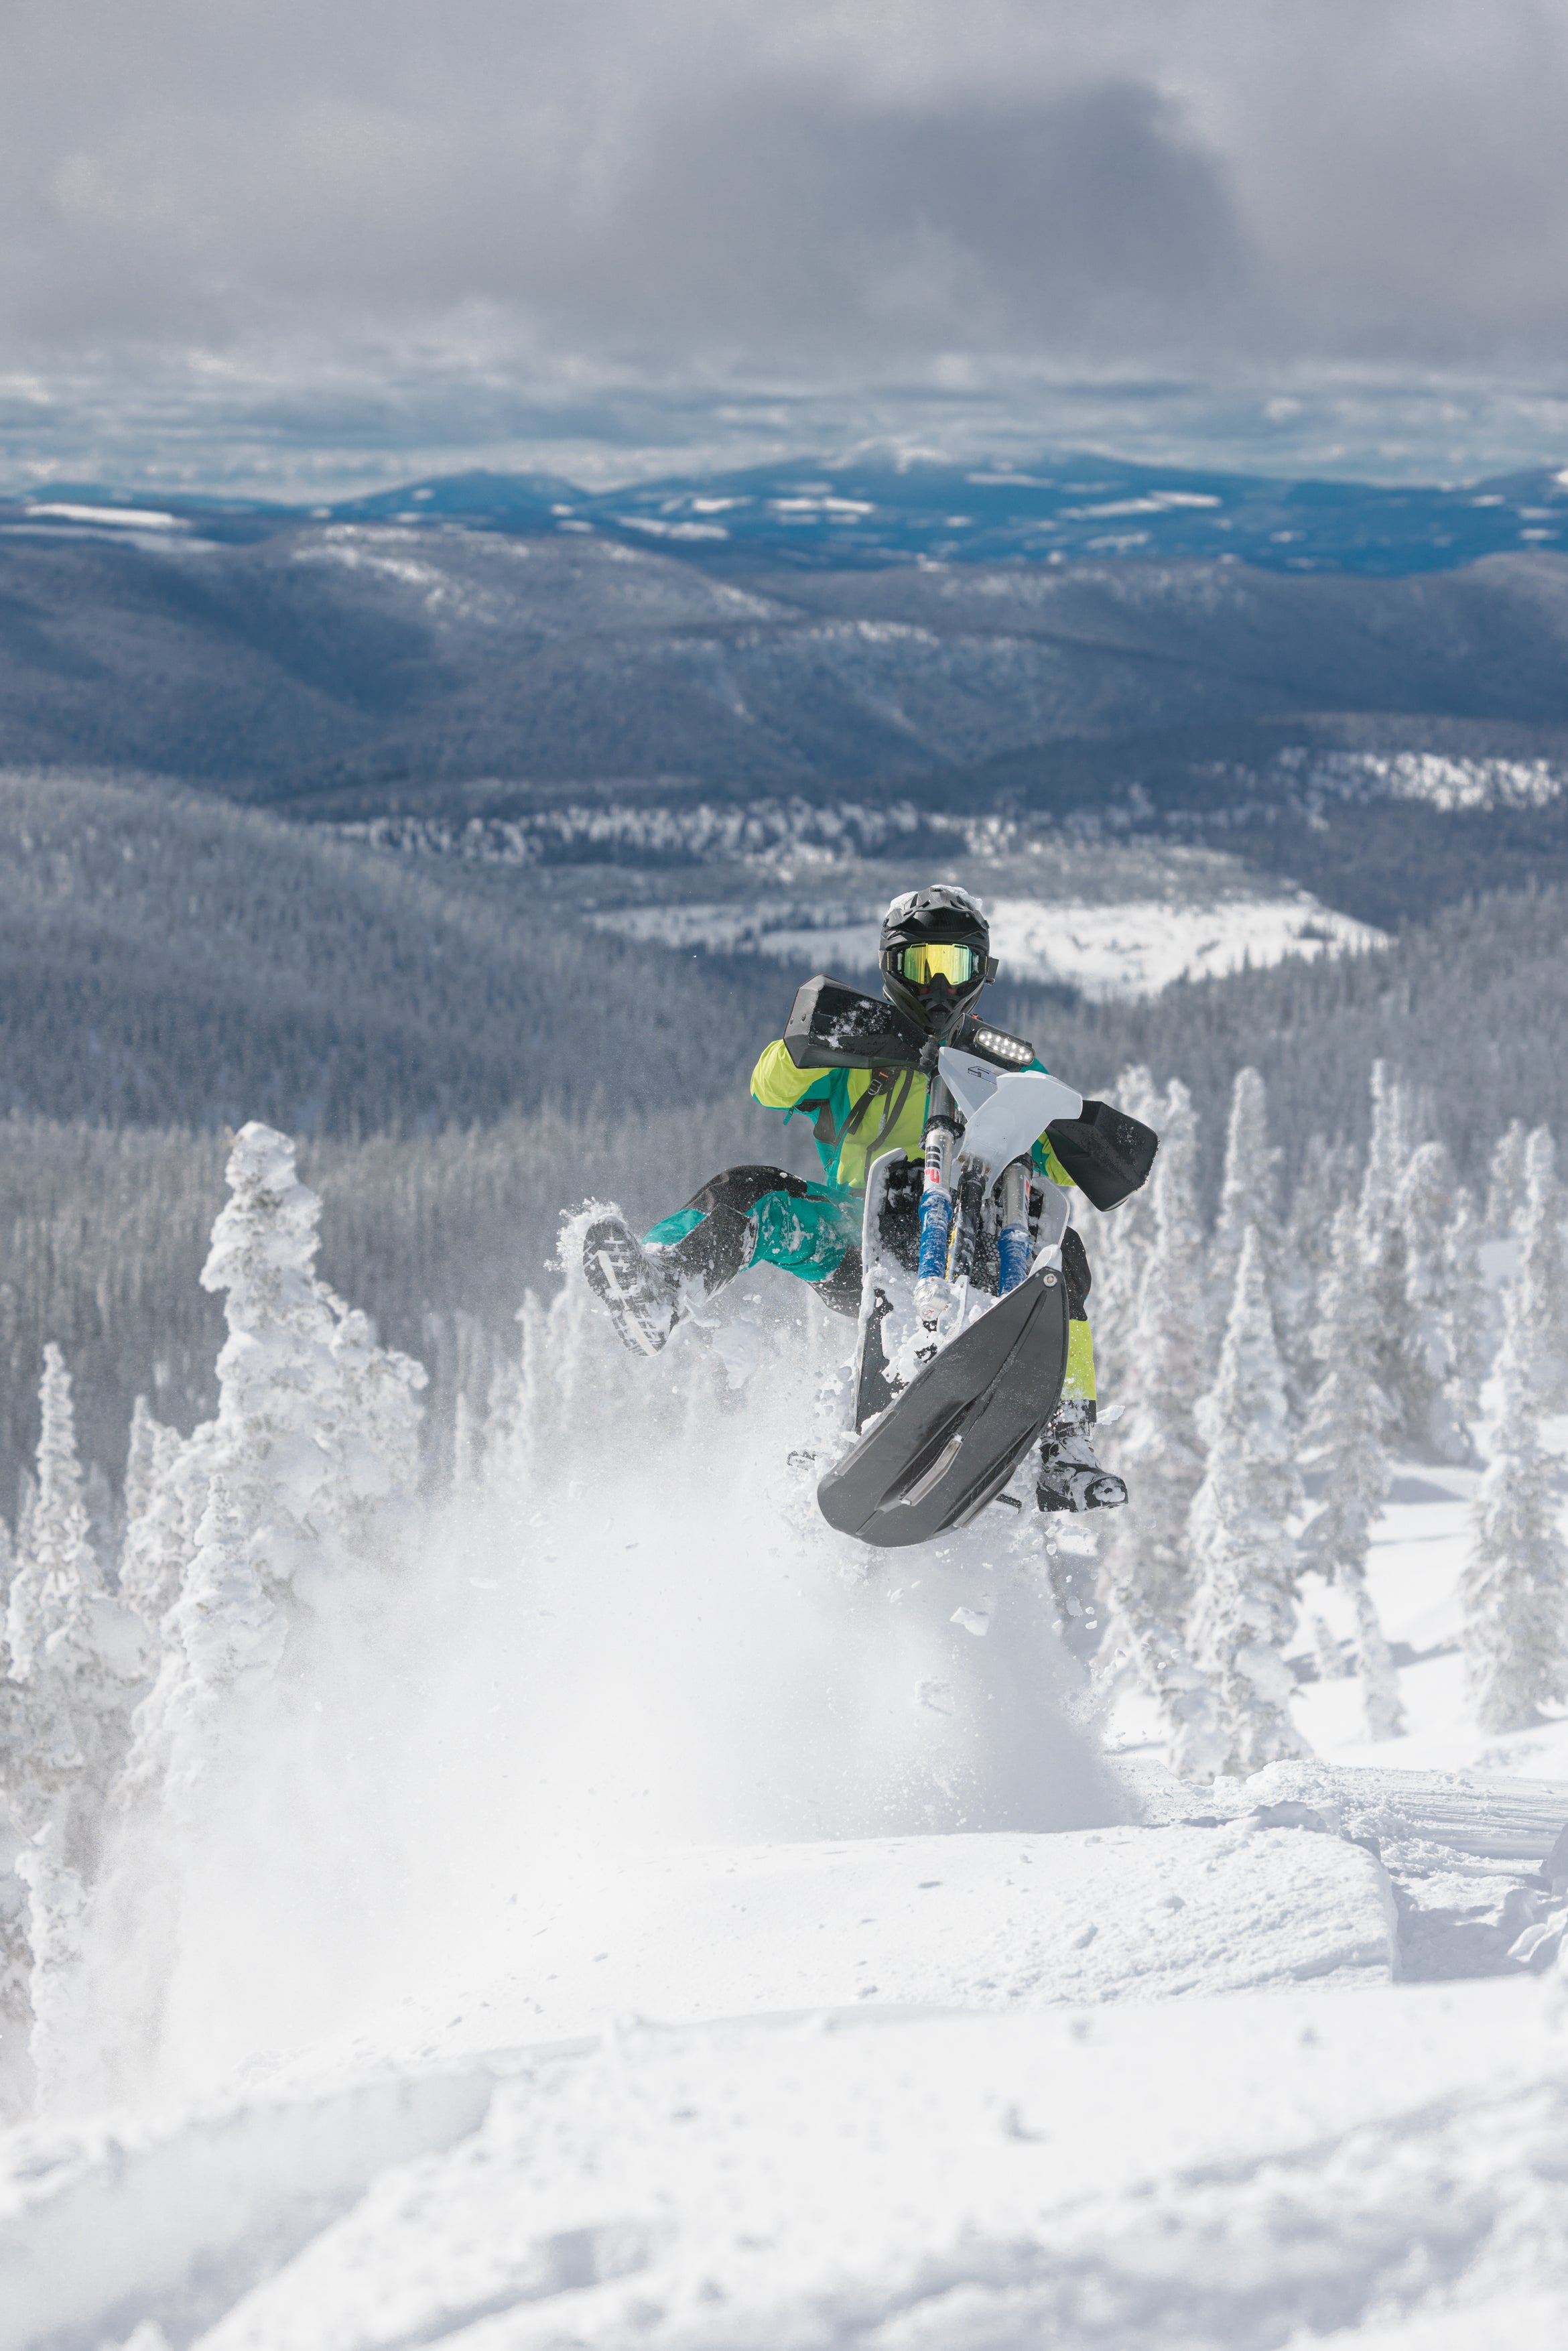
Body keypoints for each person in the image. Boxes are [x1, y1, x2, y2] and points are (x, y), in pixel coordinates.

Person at [583, 885, 1126, 1513]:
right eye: (922, 968)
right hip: (859, 1235)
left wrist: (1081, 1127)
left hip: (978, 1241)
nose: (939, 988)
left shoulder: (1003, 1070)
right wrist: (842, 1037)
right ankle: (664, 1286)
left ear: (983, 972)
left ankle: (1067, 1446)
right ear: (892, 968)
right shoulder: (860, 1048)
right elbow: (770, 1084)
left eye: (956, 968)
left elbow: (1063, 1154)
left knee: (1065, 1258)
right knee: (755, 1191)